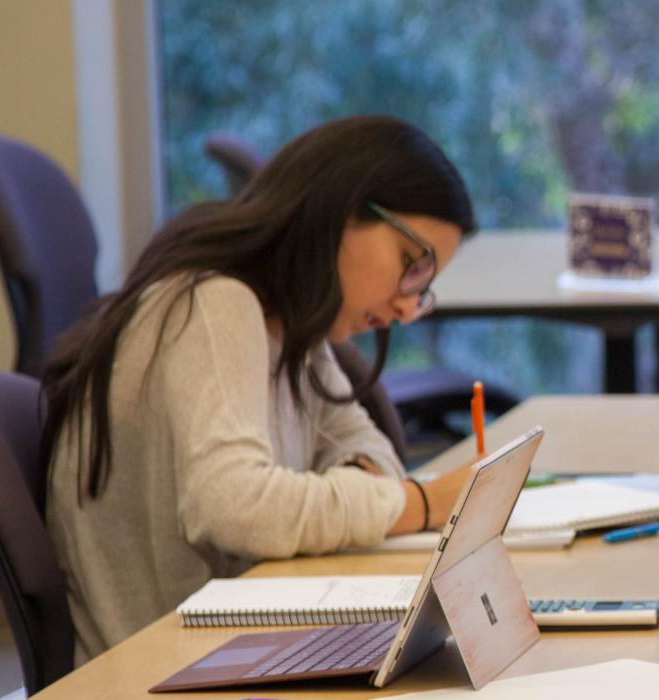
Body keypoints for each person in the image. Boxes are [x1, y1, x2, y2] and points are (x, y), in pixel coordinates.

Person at [42, 116, 482, 659]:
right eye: (411, 266)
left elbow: (371, 454)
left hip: (233, 649)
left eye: (424, 288)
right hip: (167, 670)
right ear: (342, 210)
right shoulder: (213, 304)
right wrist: (416, 503)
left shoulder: (294, 327)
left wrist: (369, 495)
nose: (408, 307)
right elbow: (236, 508)